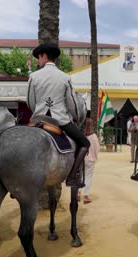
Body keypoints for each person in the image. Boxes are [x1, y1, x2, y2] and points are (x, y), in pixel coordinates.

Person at [27, 42, 90, 188]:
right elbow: (73, 104)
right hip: (60, 120)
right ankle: (72, 177)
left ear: (44, 56)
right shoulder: (64, 77)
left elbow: (30, 102)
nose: (38, 60)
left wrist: (38, 112)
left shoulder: (34, 76)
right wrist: (76, 117)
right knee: (85, 143)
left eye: (39, 57)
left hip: (38, 119)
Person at [78, 118, 100, 204]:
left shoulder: (81, 135)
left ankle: (78, 193)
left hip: (81, 158)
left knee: (81, 175)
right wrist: (94, 156)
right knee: (88, 176)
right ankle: (86, 196)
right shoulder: (93, 136)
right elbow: (97, 148)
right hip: (90, 159)